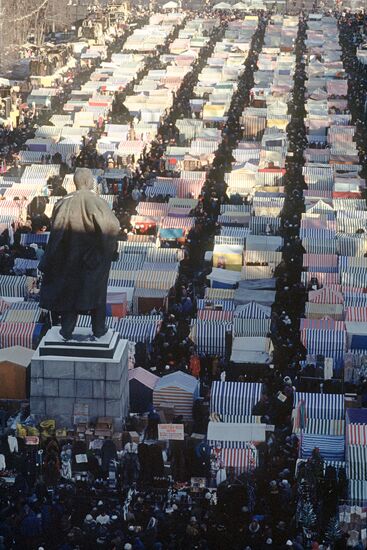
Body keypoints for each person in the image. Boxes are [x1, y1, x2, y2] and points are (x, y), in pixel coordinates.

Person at [39, 168, 120, 340]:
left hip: (68, 258)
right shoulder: (97, 202)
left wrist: (51, 259)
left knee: (71, 294)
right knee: (96, 294)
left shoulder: (62, 202)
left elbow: (56, 233)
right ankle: (98, 329)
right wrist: (109, 250)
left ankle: (67, 329)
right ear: (87, 181)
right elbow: (112, 227)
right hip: (92, 260)